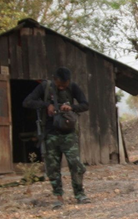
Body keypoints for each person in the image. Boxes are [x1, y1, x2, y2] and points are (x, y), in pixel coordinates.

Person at [23, 67, 90, 207]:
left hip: (69, 133)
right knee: (53, 168)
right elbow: (27, 102)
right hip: (50, 134)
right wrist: (46, 105)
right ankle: (58, 197)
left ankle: (80, 194)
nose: (61, 88)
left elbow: (85, 105)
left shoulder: (73, 87)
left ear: (69, 82)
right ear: (54, 80)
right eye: (59, 85)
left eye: (64, 86)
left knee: (76, 164)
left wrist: (71, 107)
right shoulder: (45, 87)